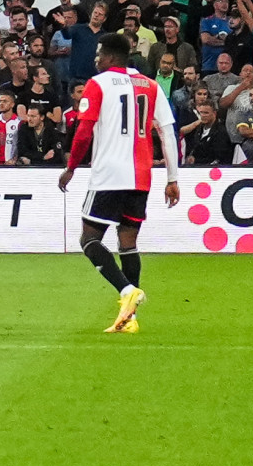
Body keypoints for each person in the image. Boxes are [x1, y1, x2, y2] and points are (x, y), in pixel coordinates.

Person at [62, 48, 177, 334]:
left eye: (100, 53)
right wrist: (172, 178)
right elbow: (167, 131)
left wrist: (72, 166)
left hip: (109, 175)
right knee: (128, 242)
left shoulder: (98, 83)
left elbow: (84, 130)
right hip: (140, 176)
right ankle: (130, 318)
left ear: (112, 57)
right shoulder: (151, 86)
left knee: (89, 239)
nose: (96, 58)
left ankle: (127, 289)